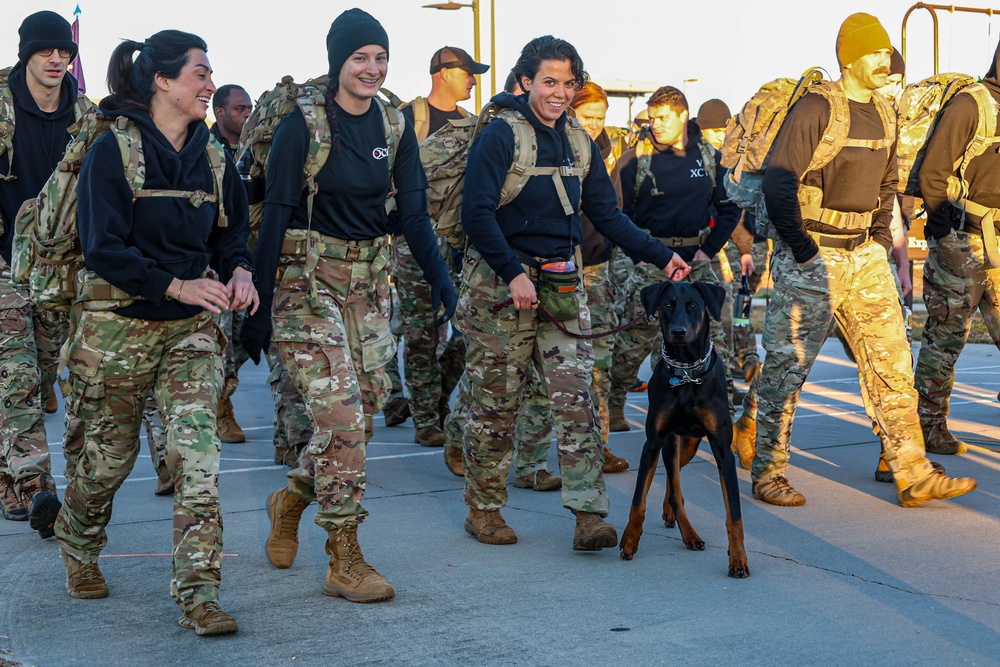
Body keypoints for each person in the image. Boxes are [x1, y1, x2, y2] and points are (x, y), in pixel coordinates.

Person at [241, 8, 457, 601]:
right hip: (304, 283)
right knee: (341, 419)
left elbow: (413, 213)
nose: (372, 68)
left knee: (362, 408)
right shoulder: (303, 126)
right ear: (338, 61)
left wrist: (441, 279)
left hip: (367, 284)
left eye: (380, 57)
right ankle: (344, 555)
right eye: (360, 57)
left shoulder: (392, 123)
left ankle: (289, 500)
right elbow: (276, 214)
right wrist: (257, 308)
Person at [53, 30, 256, 636]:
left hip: (189, 332)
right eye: (199, 73)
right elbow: (102, 249)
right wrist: (177, 284)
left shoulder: (215, 156)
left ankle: (199, 594)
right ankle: (79, 541)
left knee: (197, 459)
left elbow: (231, 233)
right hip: (116, 329)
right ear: (162, 81)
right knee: (108, 462)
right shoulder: (111, 151)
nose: (209, 84)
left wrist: (239, 269)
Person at [458, 35, 689, 549]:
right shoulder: (502, 135)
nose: (560, 93)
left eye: (568, 83)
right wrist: (512, 273)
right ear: (525, 82)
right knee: (496, 404)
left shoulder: (579, 141)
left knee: (577, 399)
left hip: (562, 282)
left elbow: (607, 216)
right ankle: (485, 510)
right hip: (501, 284)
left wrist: (659, 255)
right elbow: (476, 213)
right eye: (549, 82)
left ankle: (588, 515)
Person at [745, 13, 976, 508]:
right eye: (874, 52)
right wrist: (803, 249)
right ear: (850, 56)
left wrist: (876, 240)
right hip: (812, 256)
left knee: (893, 364)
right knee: (789, 369)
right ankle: (768, 472)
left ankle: (912, 471)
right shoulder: (816, 108)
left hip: (864, 257)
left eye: (886, 52)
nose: (884, 60)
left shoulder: (886, 112)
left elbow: (888, 183)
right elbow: (780, 182)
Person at [608, 85, 742, 432]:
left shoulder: (710, 157)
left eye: (663, 118)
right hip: (652, 260)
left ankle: (722, 416)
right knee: (631, 343)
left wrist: (707, 251)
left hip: (697, 261)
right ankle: (614, 407)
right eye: (651, 118)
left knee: (716, 342)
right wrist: (639, 257)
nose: (655, 125)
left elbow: (729, 209)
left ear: (683, 115)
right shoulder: (636, 158)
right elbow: (617, 214)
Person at [0, 10, 84, 537]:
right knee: (18, 377)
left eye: (65, 53)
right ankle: (37, 487)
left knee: (45, 371)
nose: (57, 60)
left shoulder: (88, 118)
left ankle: (8, 479)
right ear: (26, 53)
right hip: (4, 264)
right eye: (46, 51)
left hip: (61, 271)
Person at [393, 45, 486, 447]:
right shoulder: (409, 118)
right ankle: (426, 419)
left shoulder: (473, 124)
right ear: (444, 72)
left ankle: (441, 399)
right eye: (467, 72)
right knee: (421, 332)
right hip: (414, 241)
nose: (473, 79)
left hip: (458, 244)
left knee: (467, 330)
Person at [913, 37, 1000, 456]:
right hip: (964, 240)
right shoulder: (972, 105)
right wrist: (945, 233)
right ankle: (927, 425)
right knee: (946, 336)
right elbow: (933, 173)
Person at [209, 84, 254, 443]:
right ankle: (221, 409)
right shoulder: (207, 149)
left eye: (250, 109)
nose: (247, 115)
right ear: (219, 112)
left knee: (240, 342)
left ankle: (223, 398)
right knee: (220, 343)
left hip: (248, 261)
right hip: (214, 262)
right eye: (240, 109)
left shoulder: (258, 150)